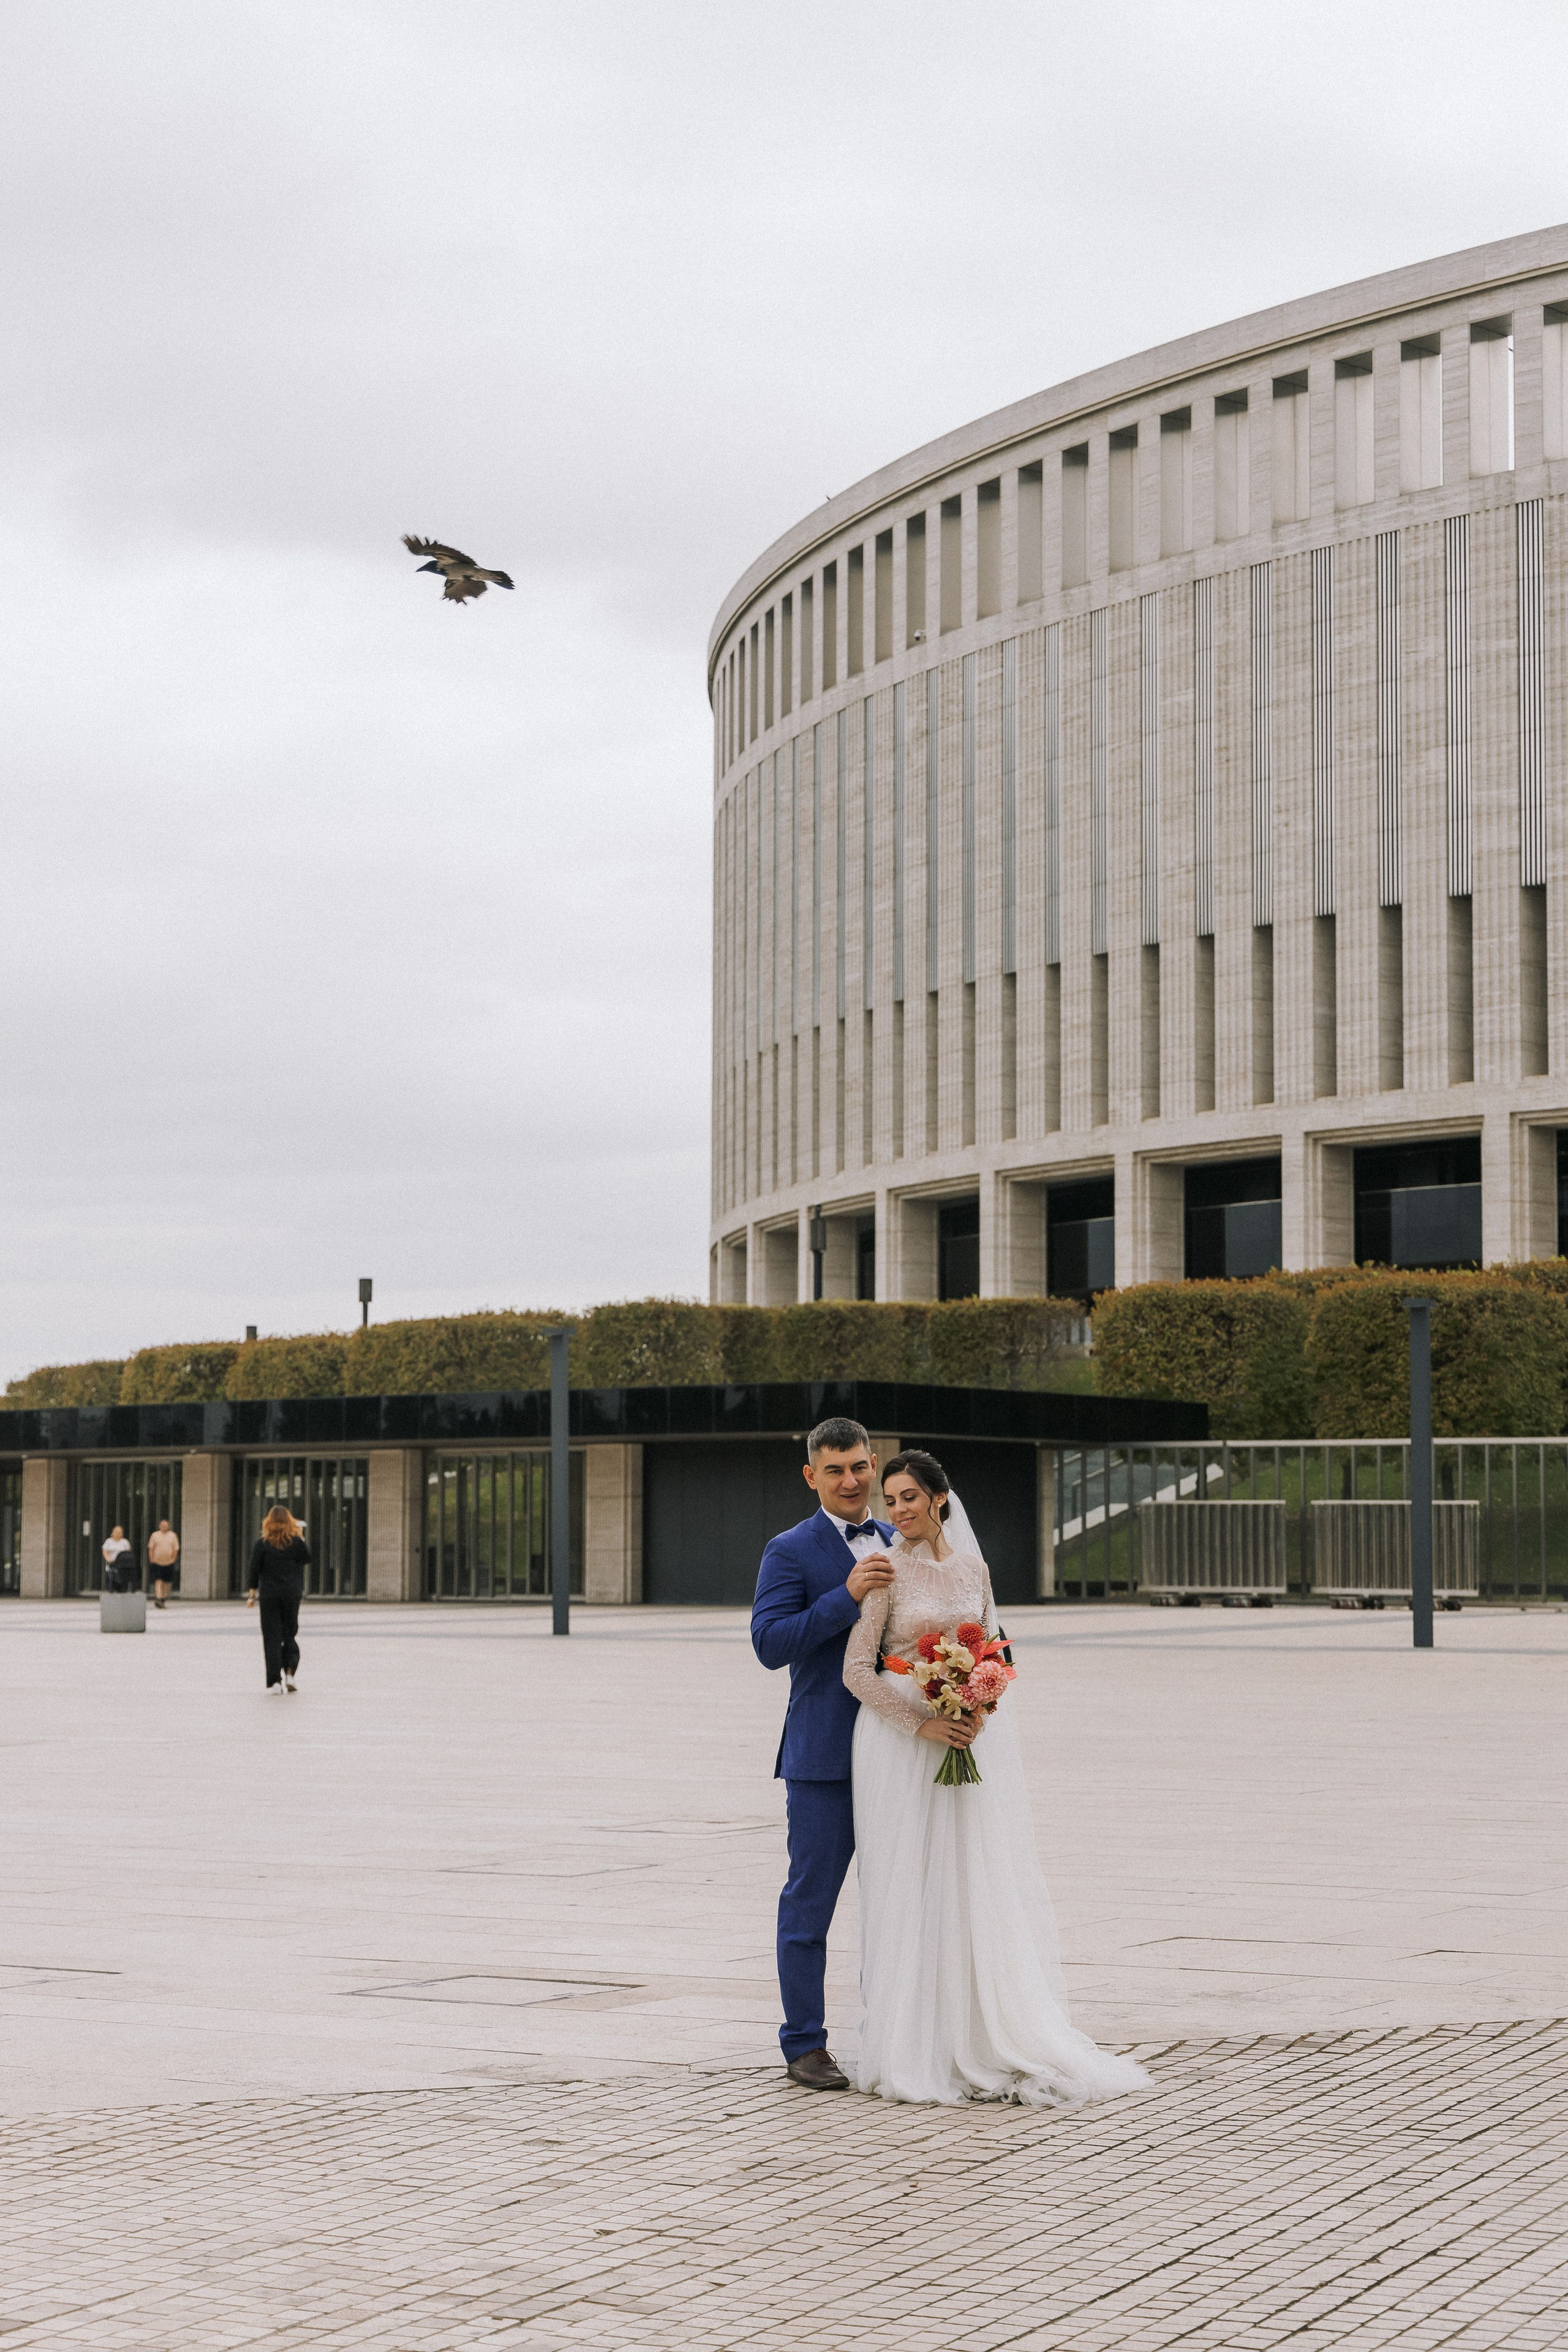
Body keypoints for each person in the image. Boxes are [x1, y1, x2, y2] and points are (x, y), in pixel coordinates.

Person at [843, 1448, 1148, 2108]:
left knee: (971, 1879)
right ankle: (912, 2041)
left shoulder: (975, 1569)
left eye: (908, 1498)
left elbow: (997, 1650)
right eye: (889, 1501)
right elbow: (857, 1670)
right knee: (910, 1882)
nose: (897, 1511)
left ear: (938, 1498)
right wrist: (919, 1723)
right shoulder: (883, 1569)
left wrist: (980, 1697)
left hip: (969, 1736)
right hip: (900, 1746)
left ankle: (981, 2032)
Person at [750, 1415, 895, 2091]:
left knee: (905, 1903)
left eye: (860, 1466)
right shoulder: (788, 1550)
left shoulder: (906, 1539)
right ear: (811, 1476)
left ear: (876, 1465)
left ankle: (902, 2036)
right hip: (823, 1760)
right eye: (834, 1470)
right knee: (809, 1906)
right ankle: (804, 2044)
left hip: (904, 1758)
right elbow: (771, 1644)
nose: (850, 1480)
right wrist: (846, 1596)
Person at [245, 1504, 309, 1694]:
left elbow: (254, 1571)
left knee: (271, 1638)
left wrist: (251, 1596)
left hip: (270, 1596)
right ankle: (290, 1673)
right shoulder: (296, 1543)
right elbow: (306, 1558)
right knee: (290, 1633)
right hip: (291, 1594)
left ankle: (274, 1682)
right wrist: (300, 1535)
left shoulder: (262, 1544)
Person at [148, 1518, 179, 1608]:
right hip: (157, 1562)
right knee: (158, 1581)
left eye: (166, 1526)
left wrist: (173, 1559)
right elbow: (151, 1548)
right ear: (159, 1526)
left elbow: (176, 1549)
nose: (164, 1527)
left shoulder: (173, 1536)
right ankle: (158, 1598)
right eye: (162, 1525)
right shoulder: (155, 1535)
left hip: (169, 1563)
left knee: (166, 1582)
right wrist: (152, 1559)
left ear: (168, 1526)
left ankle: (163, 1599)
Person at [101, 1524, 133, 1593]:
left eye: (120, 1532)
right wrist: (107, 1559)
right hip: (112, 1562)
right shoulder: (108, 1541)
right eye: (117, 1532)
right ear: (113, 1533)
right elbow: (105, 1551)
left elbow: (128, 1553)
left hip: (122, 1564)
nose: (118, 1534)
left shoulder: (125, 1542)